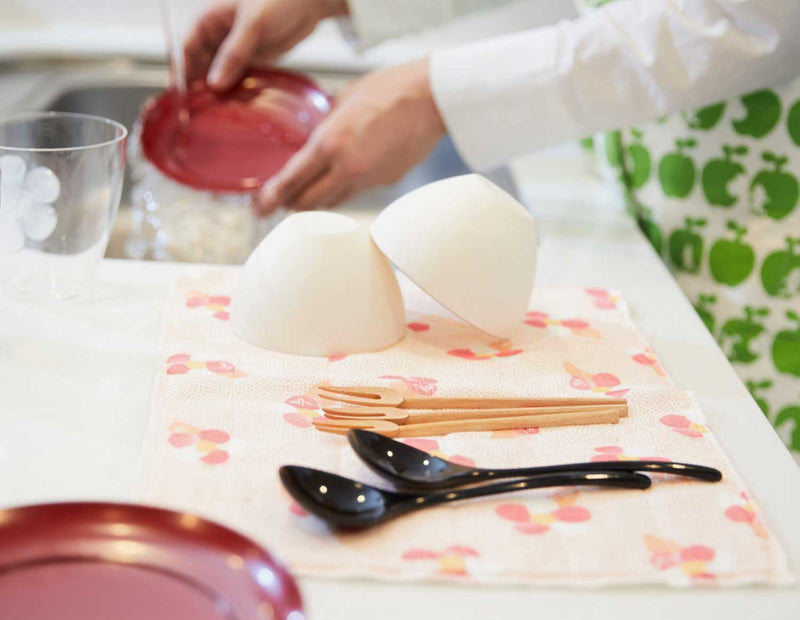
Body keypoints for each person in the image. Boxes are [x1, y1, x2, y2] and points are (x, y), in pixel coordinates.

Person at [184, 0, 800, 460]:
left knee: (751, 457)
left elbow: (753, 18)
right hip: (645, 167)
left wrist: (434, 96)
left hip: (767, 227)